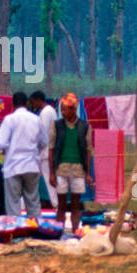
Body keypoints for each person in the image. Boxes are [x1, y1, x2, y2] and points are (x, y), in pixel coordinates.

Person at [0, 91, 47, 221]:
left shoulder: (9, 119)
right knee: (33, 202)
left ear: (12, 104)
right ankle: (36, 231)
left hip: (13, 167)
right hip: (31, 166)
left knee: (13, 204)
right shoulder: (36, 119)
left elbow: (1, 143)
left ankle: (15, 233)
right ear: (27, 104)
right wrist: (33, 151)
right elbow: (44, 142)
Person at [49, 93, 94, 235]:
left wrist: (87, 173)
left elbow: (88, 150)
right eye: (61, 109)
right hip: (61, 169)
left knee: (76, 205)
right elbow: (51, 149)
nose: (62, 112)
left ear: (74, 109)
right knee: (61, 205)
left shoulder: (84, 126)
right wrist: (51, 172)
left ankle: (76, 232)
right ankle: (58, 233)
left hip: (78, 170)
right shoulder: (56, 125)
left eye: (65, 109)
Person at [28, 90, 58, 208]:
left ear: (38, 100)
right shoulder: (51, 110)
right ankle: (53, 203)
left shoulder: (45, 113)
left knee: (48, 180)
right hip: (49, 150)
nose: (32, 105)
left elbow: (43, 133)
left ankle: (55, 204)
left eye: (33, 102)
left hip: (46, 152)